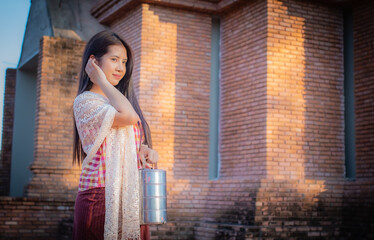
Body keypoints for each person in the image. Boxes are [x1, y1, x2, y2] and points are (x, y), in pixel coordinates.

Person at [72, 30, 159, 240]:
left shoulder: (119, 101)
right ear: (93, 61)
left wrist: (145, 150)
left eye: (124, 61)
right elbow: (129, 117)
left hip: (130, 195)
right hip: (100, 195)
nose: (121, 67)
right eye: (114, 60)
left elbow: (131, 135)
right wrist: (101, 81)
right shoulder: (86, 102)